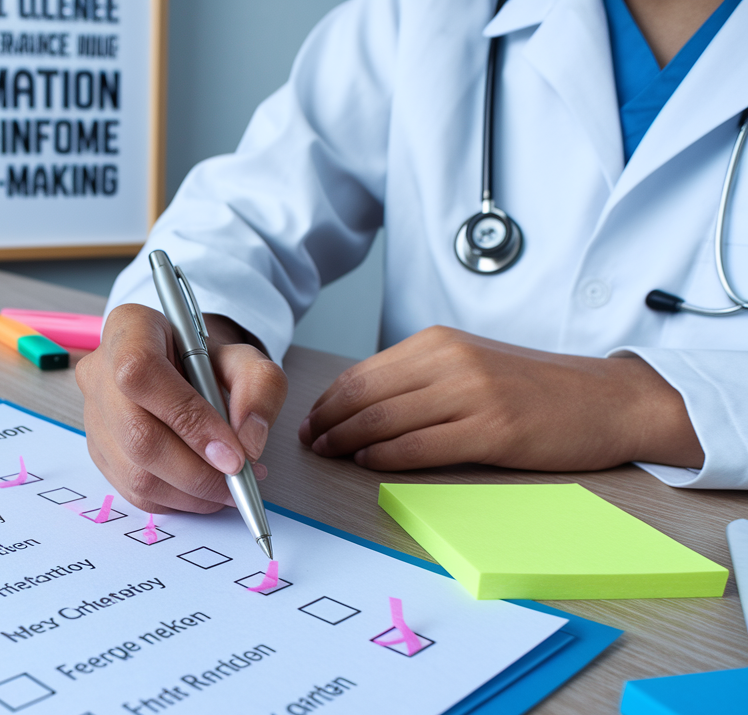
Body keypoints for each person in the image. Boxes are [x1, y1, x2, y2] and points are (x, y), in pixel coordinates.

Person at [77, 0, 748, 516]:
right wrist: (191, 337)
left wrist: (642, 404)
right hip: (414, 519)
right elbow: (250, 212)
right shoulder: (417, 14)